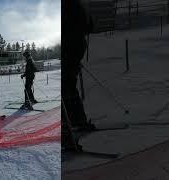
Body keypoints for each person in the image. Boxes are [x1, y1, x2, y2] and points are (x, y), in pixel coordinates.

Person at [63, 0, 94, 150]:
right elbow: (90, 27)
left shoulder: (69, 7)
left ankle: (67, 133)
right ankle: (78, 121)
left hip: (71, 51)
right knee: (70, 88)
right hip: (76, 50)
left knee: (65, 91)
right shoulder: (79, 6)